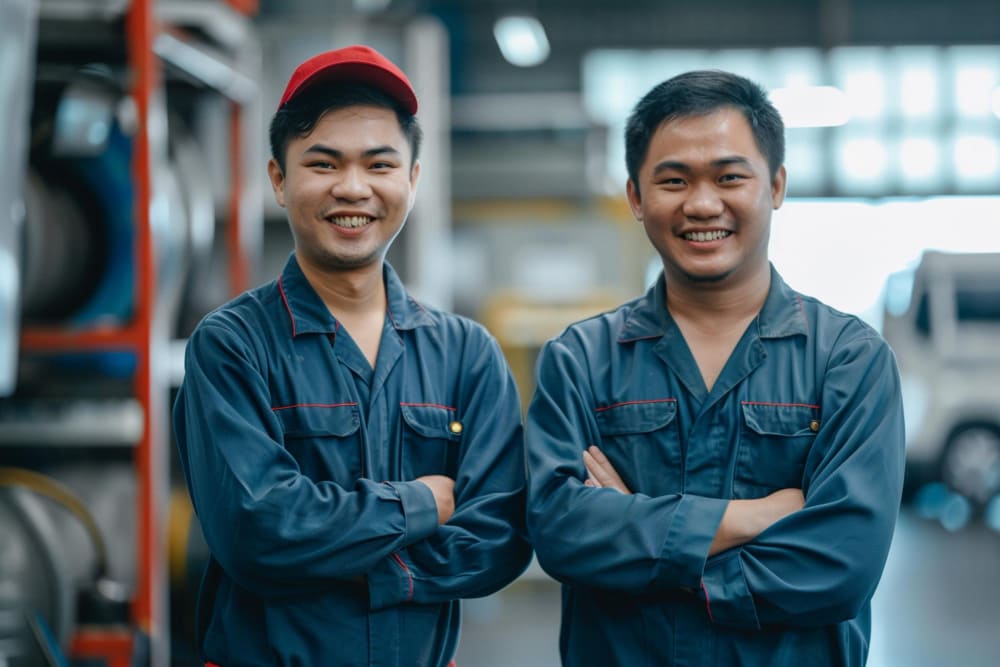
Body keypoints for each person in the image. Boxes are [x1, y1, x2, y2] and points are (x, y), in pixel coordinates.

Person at [525, 69, 904, 666]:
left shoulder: (848, 360)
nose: (702, 204)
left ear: (775, 185)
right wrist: (752, 518)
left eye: (729, 177)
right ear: (635, 197)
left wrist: (645, 545)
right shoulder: (581, 361)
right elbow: (561, 534)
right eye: (673, 180)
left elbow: (840, 562)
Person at [173, 44, 532, 666]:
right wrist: (422, 503)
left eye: (379, 164)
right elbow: (256, 532)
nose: (353, 187)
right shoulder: (232, 346)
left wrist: (364, 569)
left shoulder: (466, 354)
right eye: (324, 163)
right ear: (279, 180)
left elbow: (500, 537)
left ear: (412, 180)